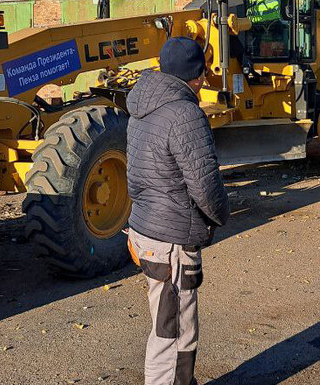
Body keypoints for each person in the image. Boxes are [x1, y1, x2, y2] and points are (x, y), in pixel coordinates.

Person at [126, 37, 230, 385]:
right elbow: (206, 185)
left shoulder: (141, 107)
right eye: (201, 76)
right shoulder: (186, 114)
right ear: (196, 76)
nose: (203, 83)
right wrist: (221, 215)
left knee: (167, 323)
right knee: (174, 335)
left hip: (146, 232)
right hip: (172, 242)